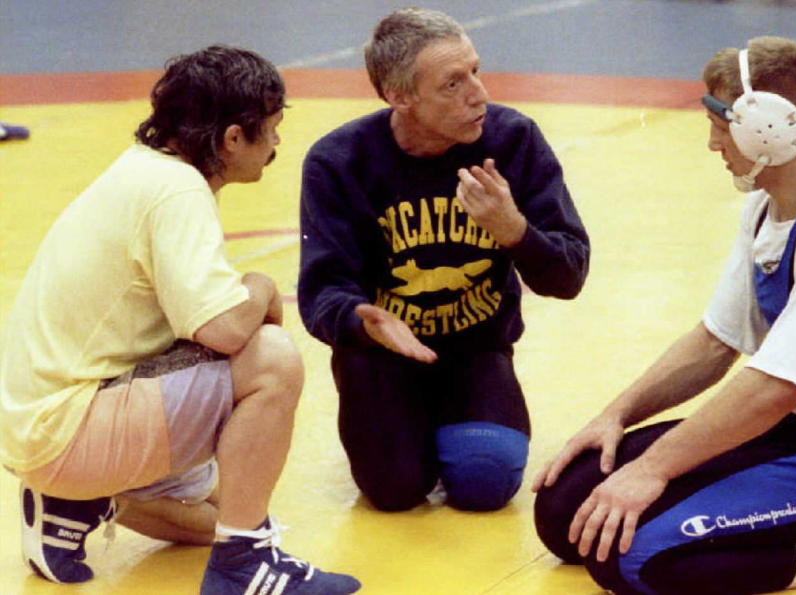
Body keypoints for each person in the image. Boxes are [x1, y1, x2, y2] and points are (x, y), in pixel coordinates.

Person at [532, 36, 796, 594]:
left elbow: (777, 387)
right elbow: (714, 342)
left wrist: (650, 470)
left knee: (631, 560)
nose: (711, 143)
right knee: (564, 513)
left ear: (766, 127)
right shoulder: (767, 202)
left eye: (721, 125)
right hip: (783, 434)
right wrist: (617, 416)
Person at [0, 46, 360, 594]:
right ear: (234, 138)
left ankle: (76, 499)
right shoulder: (177, 191)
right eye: (272, 129)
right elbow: (226, 331)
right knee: (272, 360)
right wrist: (261, 286)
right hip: (67, 425)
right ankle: (244, 569)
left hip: (48, 423)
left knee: (223, 505)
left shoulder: (144, 169)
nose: (278, 144)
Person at [298, 8, 589, 513]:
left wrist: (513, 231)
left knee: (485, 480)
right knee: (395, 491)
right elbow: (322, 290)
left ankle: (456, 424)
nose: (478, 93)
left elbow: (568, 276)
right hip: (381, 357)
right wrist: (359, 320)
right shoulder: (339, 162)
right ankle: (409, 427)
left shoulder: (513, 141)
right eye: (452, 84)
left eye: (475, 71)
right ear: (399, 96)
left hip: (475, 350)